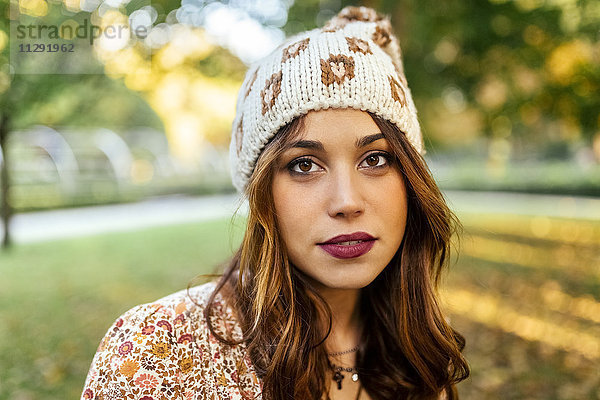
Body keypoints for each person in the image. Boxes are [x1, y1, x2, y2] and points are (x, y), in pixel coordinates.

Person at [80, 6, 469, 400]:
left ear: (410, 179)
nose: (347, 202)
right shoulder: (157, 350)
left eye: (375, 159)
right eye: (304, 165)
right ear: (261, 193)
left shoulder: (418, 345)